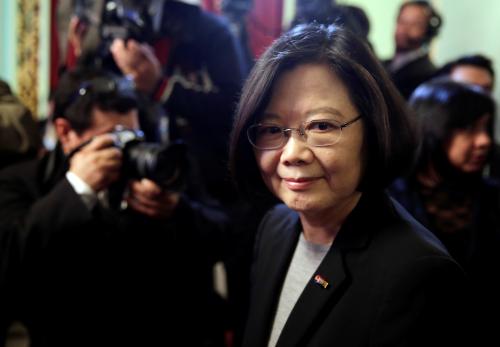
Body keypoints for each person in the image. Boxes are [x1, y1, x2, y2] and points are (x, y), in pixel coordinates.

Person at [228, 23, 470, 346]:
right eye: (272, 129)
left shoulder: (417, 274)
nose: (292, 154)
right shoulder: (275, 226)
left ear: (371, 130)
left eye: (321, 125)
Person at [0, 66, 230, 347]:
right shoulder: (21, 182)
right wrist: (76, 188)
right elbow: (12, 265)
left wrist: (177, 210)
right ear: (66, 132)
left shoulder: (163, 165)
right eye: (112, 138)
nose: (126, 150)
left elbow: (224, 235)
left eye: (131, 137)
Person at [67, 0, 247, 203]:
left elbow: (236, 112)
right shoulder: (109, 27)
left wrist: (161, 88)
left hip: (205, 189)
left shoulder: (209, 33)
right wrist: (83, 58)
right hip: (132, 177)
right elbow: (90, 106)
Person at [389, 79, 500, 345]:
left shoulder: (493, 197)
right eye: (468, 129)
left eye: (486, 128)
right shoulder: (389, 200)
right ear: (432, 129)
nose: (484, 141)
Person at [383, 0, 442, 99]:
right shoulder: (383, 64)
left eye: (414, 24)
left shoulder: (429, 75)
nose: (404, 29)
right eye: (402, 22)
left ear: (428, 31)